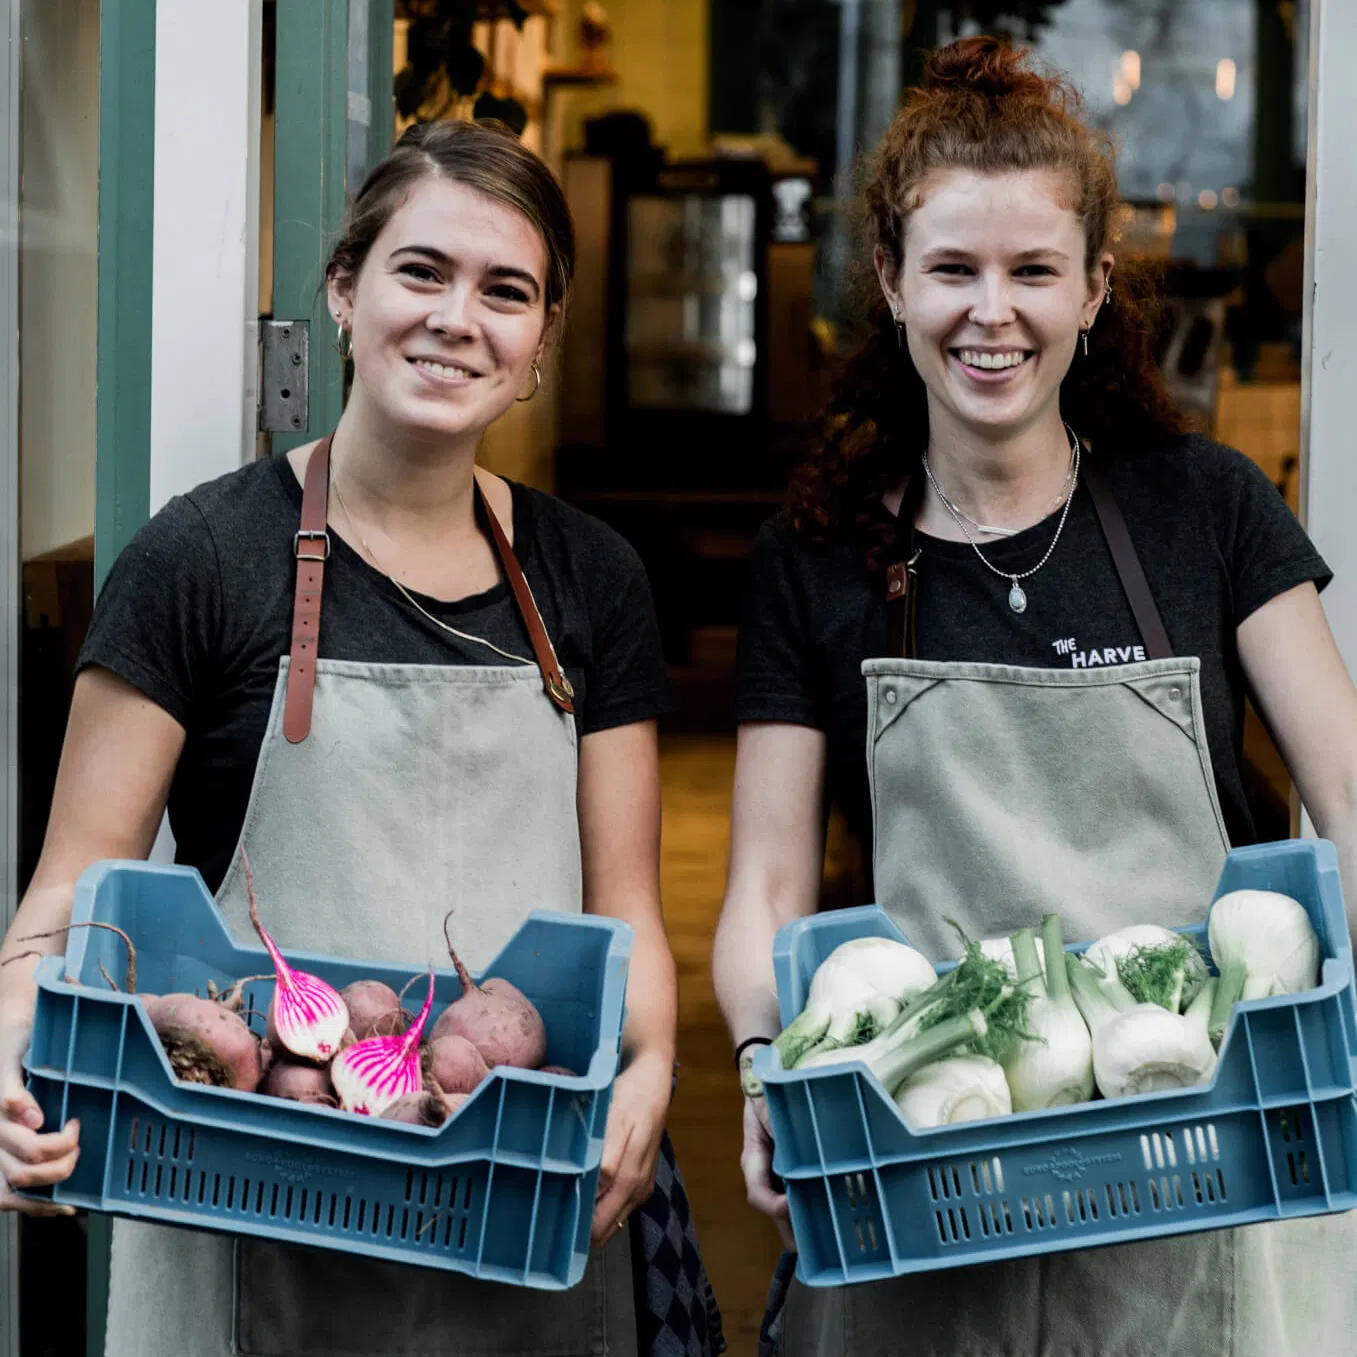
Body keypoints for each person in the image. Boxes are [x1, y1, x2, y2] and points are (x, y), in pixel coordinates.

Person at [0, 119, 715, 1357]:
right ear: (344, 290)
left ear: (541, 339)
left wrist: (650, 1068)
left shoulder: (592, 579)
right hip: (246, 1219)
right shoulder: (202, 558)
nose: (456, 317)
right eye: (420, 271)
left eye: (506, 291)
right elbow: (66, 886)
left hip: (509, 1219)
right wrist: (9, 1054)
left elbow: (629, 915)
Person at [713, 35, 1357, 1357]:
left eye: (1031, 271)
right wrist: (761, 1065)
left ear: (1093, 289)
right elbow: (764, 892)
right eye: (950, 268)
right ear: (891, 283)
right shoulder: (819, 555)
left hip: (1199, 1160)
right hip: (926, 1159)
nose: (987, 312)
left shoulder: (1207, 510)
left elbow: (1346, 793)